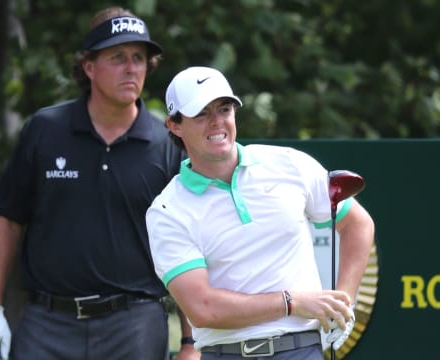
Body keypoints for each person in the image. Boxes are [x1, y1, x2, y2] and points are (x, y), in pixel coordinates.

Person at [0, 7, 199, 360]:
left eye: (139, 58)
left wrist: (189, 342)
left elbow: (186, 242)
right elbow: (7, 219)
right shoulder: (45, 130)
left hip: (135, 323)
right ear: (89, 67)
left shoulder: (166, 143)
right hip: (47, 322)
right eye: (118, 57)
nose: (131, 68)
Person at [145, 66, 375, 359]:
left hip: (301, 350)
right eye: (202, 113)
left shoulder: (289, 164)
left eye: (224, 109)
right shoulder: (168, 211)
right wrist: (291, 302)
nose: (217, 122)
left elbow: (357, 224)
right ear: (175, 126)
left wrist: (343, 301)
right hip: (225, 353)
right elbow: (202, 308)